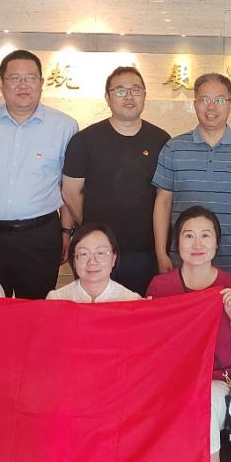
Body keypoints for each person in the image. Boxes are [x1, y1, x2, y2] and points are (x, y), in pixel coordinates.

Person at [146, 206, 231, 462]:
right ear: (177, 242)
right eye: (188, 235)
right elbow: (150, 346)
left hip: (218, 381)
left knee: (202, 399)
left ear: (217, 243)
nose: (197, 244)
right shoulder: (160, 286)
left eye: (205, 236)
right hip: (173, 379)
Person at [0, 50, 78, 299]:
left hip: (40, 236)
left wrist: (66, 231)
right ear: (1, 83)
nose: (23, 85)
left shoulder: (65, 126)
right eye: (14, 78)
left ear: (41, 83)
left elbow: (68, 185)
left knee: (35, 309)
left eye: (30, 78)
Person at [62, 66, 170, 295]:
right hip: (97, 254)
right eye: (120, 91)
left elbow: (165, 197)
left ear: (144, 95)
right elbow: (70, 192)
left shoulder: (161, 140)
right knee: (98, 310)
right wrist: (94, 228)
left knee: (142, 310)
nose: (129, 96)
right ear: (107, 97)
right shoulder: (84, 140)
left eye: (136, 90)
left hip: (146, 252)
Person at [152, 73, 231, 282]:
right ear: (195, 104)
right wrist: (161, 253)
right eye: (204, 99)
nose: (211, 107)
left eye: (220, 100)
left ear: (230, 105)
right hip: (185, 262)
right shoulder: (173, 148)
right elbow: (163, 202)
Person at [47, 223, 142, 303]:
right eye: (84, 254)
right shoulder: (56, 299)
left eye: (100, 253)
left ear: (114, 258)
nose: (92, 262)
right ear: (74, 261)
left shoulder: (131, 300)